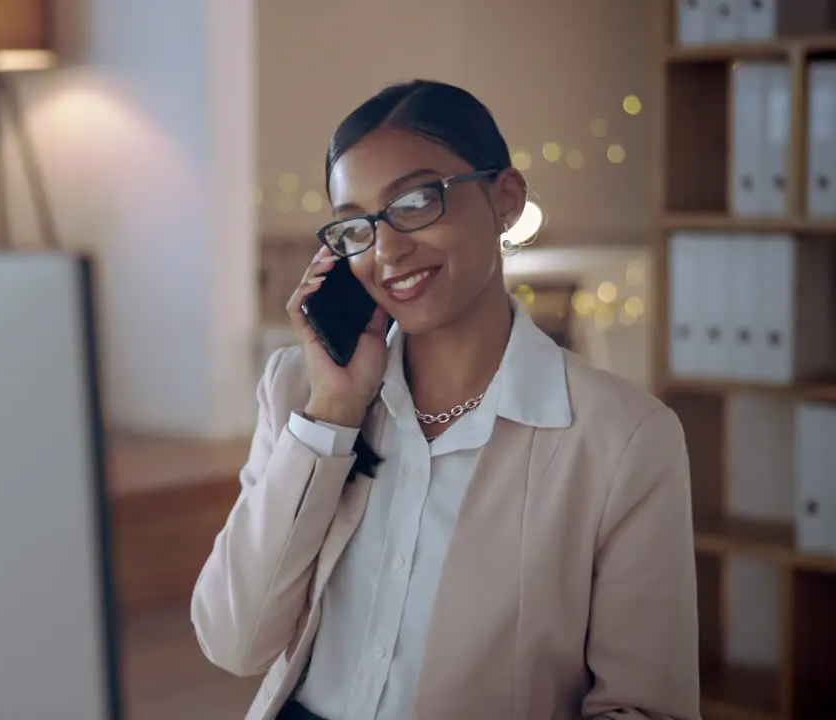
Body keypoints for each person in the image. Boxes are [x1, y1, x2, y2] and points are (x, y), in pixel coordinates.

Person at [190, 80, 700, 720]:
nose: (387, 250)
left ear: (506, 199)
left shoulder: (623, 438)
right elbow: (232, 641)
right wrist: (333, 415)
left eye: (414, 201)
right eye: (358, 225)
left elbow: (645, 707)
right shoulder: (301, 392)